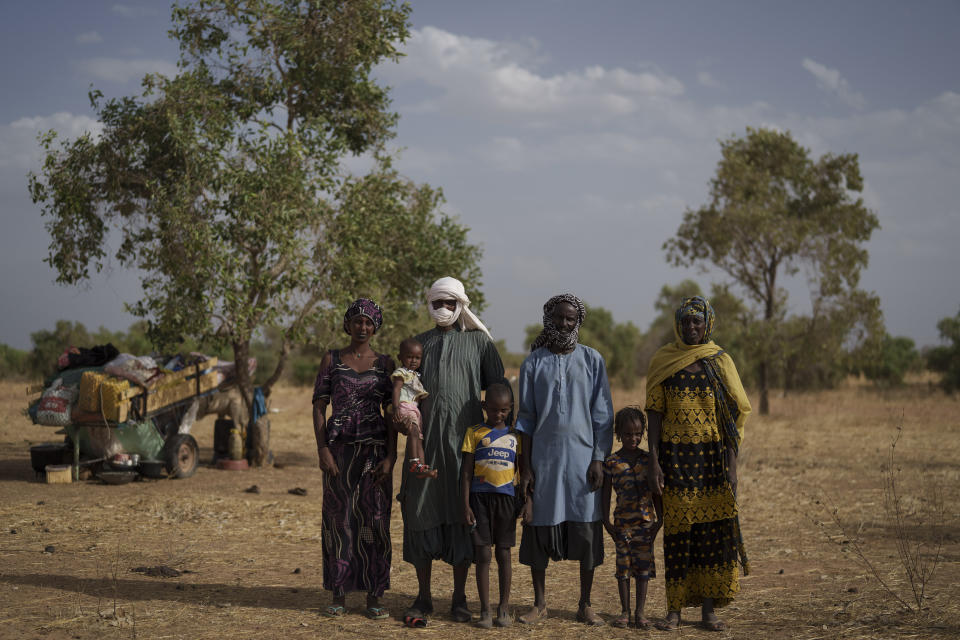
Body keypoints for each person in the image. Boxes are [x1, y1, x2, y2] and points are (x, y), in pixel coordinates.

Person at [398, 276, 507, 628]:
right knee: (420, 512)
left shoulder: (480, 344)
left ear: (461, 304)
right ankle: (423, 596)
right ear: (428, 305)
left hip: (466, 450)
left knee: (464, 517)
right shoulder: (419, 344)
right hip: (425, 446)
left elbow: (499, 391)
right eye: (436, 303)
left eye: (449, 303)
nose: (442, 309)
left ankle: (459, 599)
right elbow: (404, 391)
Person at [645, 295, 751, 632]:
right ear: (678, 324)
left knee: (711, 537)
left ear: (708, 325)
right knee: (678, 537)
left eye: (697, 321)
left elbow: (734, 416)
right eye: (686, 322)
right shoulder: (664, 361)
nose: (691, 327)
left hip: (712, 464)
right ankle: (674, 611)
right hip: (675, 463)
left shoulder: (719, 362)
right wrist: (654, 463)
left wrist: (732, 467)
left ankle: (708, 611)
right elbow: (654, 412)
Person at [516, 294, 614, 626]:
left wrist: (598, 458)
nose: (564, 324)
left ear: (578, 322)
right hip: (544, 463)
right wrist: (525, 466)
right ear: (549, 319)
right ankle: (539, 603)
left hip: (583, 463)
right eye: (558, 318)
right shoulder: (533, 363)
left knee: (587, 532)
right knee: (539, 530)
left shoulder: (592, 360)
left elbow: (603, 415)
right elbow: (525, 419)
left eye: (570, 319)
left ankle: (585, 603)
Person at [312, 298, 396, 621]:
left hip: (374, 453)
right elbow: (319, 406)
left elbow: (392, 413)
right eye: (357, 321)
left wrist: (392, 455)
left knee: (376, 522)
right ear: (347, 325)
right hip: (339, 452)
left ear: (376, 327)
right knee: (339, 522)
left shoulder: (385, 364)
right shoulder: (331, 359)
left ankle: (375, 596)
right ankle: (339, 593)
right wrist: (322, 450)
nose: (363, 327)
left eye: (369, 322)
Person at [461, 383, 520, 628]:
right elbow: (465, 472)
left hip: (507, 500)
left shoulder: (516, 436)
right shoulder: (474, 432)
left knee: (504, 554)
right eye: (494, 410)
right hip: (479, 500)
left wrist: (526, 503)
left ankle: (503, 608)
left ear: (510, 409)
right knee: (483, 553)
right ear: (485, 407)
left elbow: (524, 472)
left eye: (504, 410)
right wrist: (465, 504)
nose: (498, 415)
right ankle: (485, 610)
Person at [600, 406, 663, 629]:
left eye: (637, 434)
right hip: (622, 525)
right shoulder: (612, 462)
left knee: (643, 570)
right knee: (623, 569)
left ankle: (640, 613)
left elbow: (657, 492)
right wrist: (606, 522)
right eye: (627, 434)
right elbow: (605, 494)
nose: (633, 438)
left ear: (643, 432)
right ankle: (625, 612)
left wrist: (659, 521)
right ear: (618, 434)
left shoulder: (649, 461)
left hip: (645, 525)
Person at [391, 337, 436, 478]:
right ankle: (414, 463)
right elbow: (396, 390)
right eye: (409, 357)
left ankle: (421, 468)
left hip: (414, 410)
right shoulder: (402, 373)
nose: (414, 361)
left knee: (418, 438)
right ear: (400, 357)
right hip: (404, 406)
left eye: (417, 358)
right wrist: (395, 407)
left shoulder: (416, 375)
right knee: (414, 432)